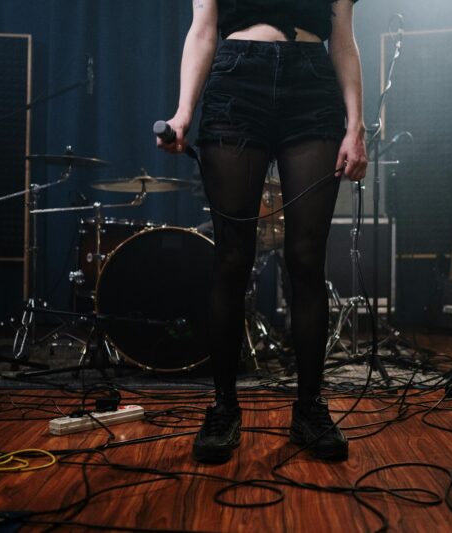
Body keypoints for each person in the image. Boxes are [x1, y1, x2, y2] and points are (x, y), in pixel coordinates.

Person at [158, 0, 367, 464]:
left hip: (312, 89)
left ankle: (310, 409)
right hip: (236, 82)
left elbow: (344, 41)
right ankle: (223, 408)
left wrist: (355, 126)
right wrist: (183, 113)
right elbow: (202, 31)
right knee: (232, 258)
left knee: (308, 259)